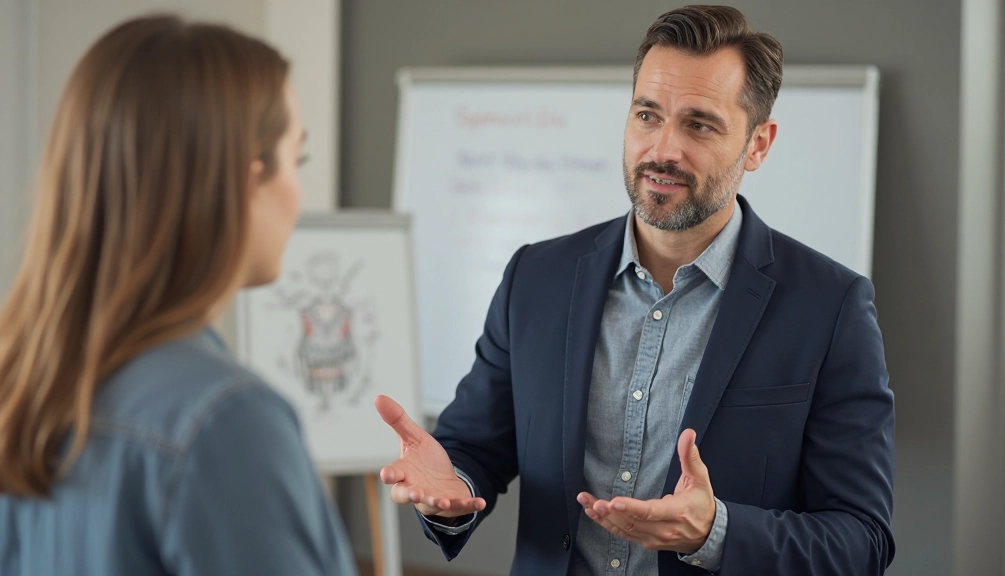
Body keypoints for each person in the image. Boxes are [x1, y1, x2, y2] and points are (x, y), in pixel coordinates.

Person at [375, 4, 895, 575]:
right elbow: (474, 448)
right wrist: (449, 487)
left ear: (758, 145)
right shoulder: (537, 277)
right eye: (648, 115)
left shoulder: (829, 307)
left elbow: (861, 541)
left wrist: (712, 531)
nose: (663, 149)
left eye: (699, 124)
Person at [0, 15, 357, 576]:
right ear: (247, 176)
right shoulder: (225, 422)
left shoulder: (22, 384)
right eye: (297, 158)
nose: (299, 192)